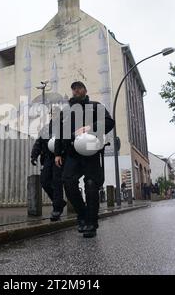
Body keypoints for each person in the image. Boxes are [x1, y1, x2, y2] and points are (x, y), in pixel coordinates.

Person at [54, 81, 115, 238]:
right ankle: (82, 215)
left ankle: (91, 223)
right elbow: (60, 133)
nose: (76, 91)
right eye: (73, 88)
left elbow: (109, 122)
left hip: (90, 151)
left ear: (85, 90)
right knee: (68, 182)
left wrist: (90, 127)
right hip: (72, 153)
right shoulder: (66, 112)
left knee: (91, 185)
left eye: (79, 88)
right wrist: (58, 153)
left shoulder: (95, 106)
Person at [31, 109, 66, 221]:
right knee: (44, 181)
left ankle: (57, 209)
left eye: (57, 114)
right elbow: (38, 143)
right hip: (47, 159)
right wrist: (34, 156)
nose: (54, 115)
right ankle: (60, 202)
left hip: (59, 158)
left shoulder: (64, 128)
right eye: (52, 114)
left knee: (57, 183)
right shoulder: (45, 128)